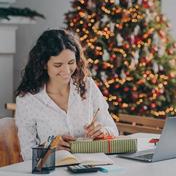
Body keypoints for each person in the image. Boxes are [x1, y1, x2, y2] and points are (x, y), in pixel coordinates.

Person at [15, 29, 119, 160]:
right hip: (55, 171)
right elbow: (27, 154)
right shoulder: (28, 100)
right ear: (43, 64)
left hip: (93, 166)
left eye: (71, 63)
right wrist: (49, 147)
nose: (66, 71)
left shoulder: (87, 86)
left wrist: (103, 131)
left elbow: (113, 130)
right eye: (58, 65)